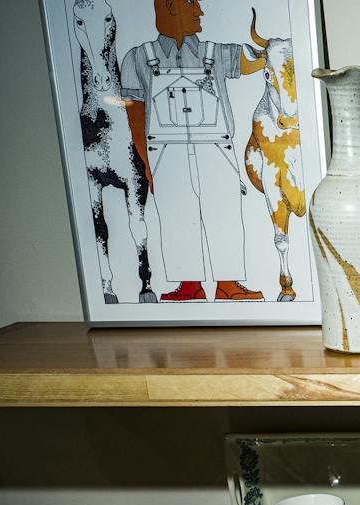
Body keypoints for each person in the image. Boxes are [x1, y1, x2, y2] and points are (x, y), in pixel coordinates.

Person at [120, 0, 265, 301]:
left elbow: (256, 61)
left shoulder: (217, 53)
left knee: (224, 211)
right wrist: (146, 161)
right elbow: (135, 115)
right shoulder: (137, 58)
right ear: (171, 6)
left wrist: (278, 50)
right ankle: (189, 286)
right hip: (165, 151)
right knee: (176, 216)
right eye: (192, 4)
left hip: (215, 148)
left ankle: (228, 284)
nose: (200, 11)